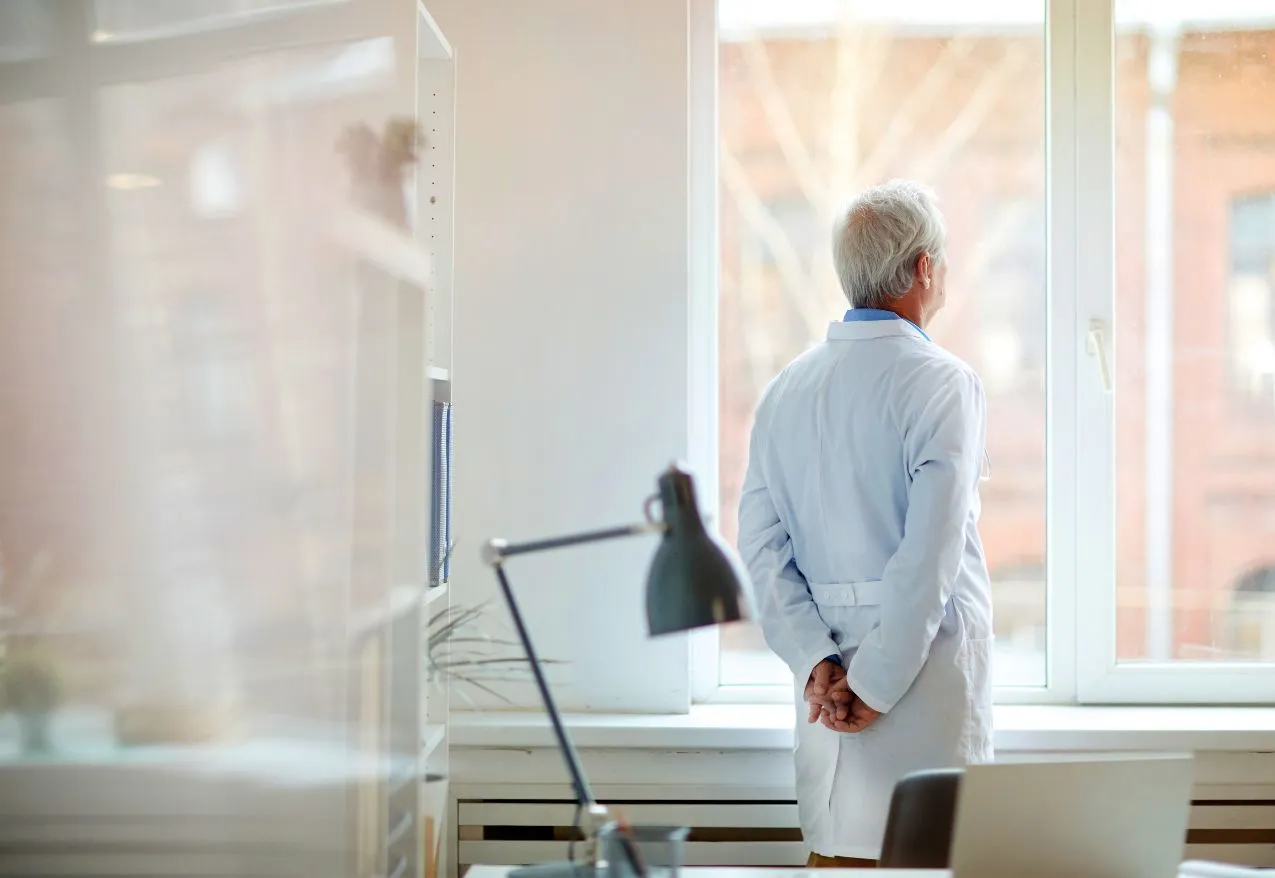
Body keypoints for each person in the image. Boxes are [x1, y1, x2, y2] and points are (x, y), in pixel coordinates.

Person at [737, 180, 994, 867]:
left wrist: (815, 662)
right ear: (922, 269)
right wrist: (872, 689)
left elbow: (760, 550)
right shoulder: (941, 382)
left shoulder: (784, 390)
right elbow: (927, 558)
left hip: (825, 710)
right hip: (917, 701)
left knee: (837, 864)